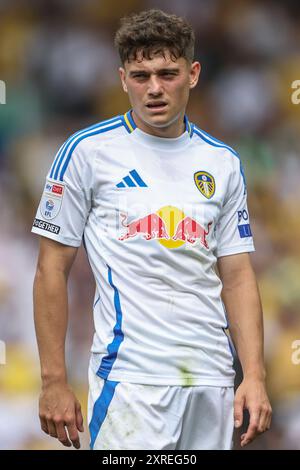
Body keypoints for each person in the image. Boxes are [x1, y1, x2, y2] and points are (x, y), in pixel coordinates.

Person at [32, 9, 272, 450]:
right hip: (131, 380)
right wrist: (53, 380)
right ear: (123, 79)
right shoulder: (86, 153)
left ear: (193, 73)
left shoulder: (223, 162)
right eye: (141, 75)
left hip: (212, 378)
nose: (155, 88)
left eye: (167, 72)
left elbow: (237, 274)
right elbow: (51, 269)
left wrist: (253, 375)